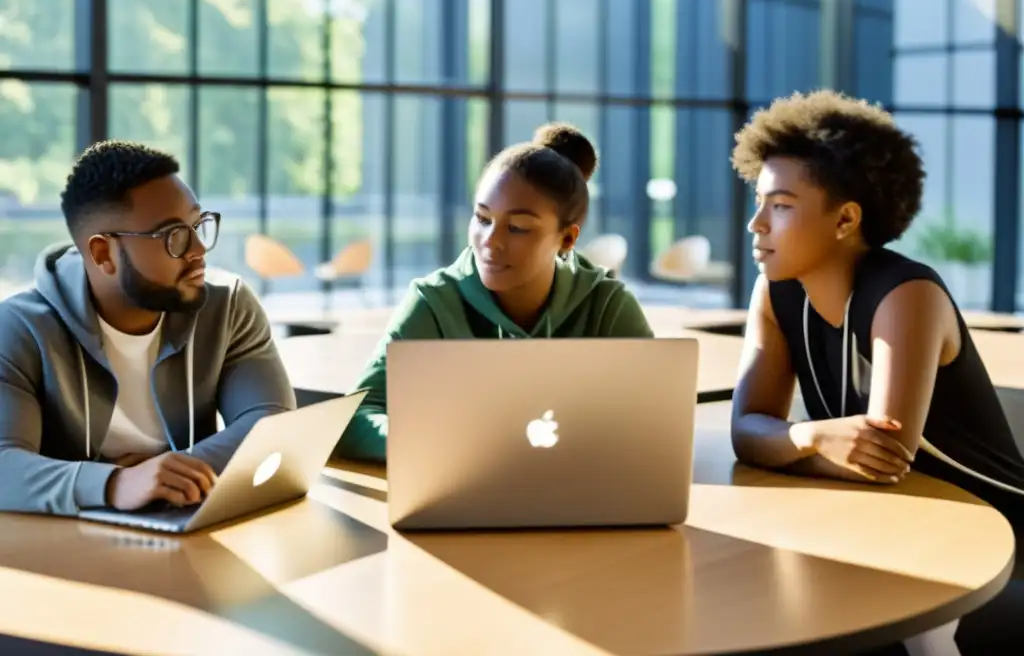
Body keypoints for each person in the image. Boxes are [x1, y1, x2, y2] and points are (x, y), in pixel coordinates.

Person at [729, 90, 1024, 653]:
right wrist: (811, 435)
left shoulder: (906, 294)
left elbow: (881, 463)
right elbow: (747, 430)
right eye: (760, 201)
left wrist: (780, 441)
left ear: (845, 218)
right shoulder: (776, 291)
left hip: (997, 544)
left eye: (781, 205)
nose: (756, 225)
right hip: (894, 534)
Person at [0, 140, 296, 517]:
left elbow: (272, 423)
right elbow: (4, 464)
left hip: (184, 525)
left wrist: (166, 472)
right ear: (103, 254)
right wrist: (114, 483)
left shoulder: (227, 305)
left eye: (198, 224)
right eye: (173, 235)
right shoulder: (18, 328)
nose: (198, 251)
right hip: (64, 542)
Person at [335, 123, 654, 463]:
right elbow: (356, 417)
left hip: (591, 502)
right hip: (461, 499)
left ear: (567, 239)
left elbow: (657, 419)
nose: (490, 242)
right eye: (483, 218)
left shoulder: (608, 306)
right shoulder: (433, 302)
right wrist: (430, 444)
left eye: (517, 227)